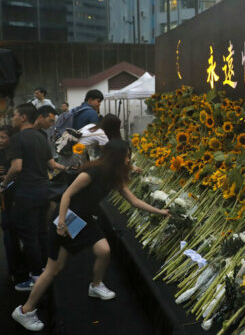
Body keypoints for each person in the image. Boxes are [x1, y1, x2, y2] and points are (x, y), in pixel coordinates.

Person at [11, 139, 170, 332]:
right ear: (116, 157)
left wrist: (160, 212)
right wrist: (61, 222)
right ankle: (25, 310)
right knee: (54, 269)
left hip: (84, 219)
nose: (129, 160)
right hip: (68, 220)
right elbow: (66, 195)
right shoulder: (91, 173)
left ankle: (96, 285)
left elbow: (134, 201)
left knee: (104, 251)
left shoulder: (115, 177)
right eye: (126, 156)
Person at [1, 104, 67, 292]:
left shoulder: (18, 139)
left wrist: (4, 184)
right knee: (41, 233)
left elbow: (17, 167)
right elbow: (50, 163)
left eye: (14, 115)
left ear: (22, 118)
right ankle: (45, 270)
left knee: (29, 236)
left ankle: (36, 276)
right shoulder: (41, 137)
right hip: (43, 191)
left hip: (26, 193)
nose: (12, 118)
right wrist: (65, 168)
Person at [0, 125, 22, 284]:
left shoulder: (17, 153)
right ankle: (15, 270)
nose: (0, 140)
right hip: (5, 200)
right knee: (9, 232)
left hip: (19, 197)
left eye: (3, 137)